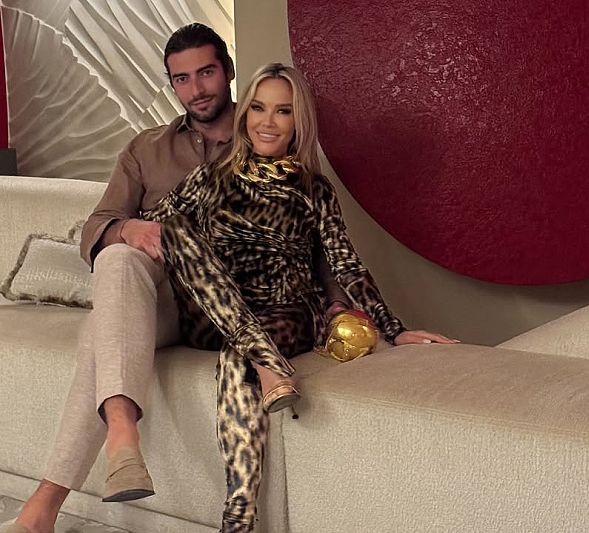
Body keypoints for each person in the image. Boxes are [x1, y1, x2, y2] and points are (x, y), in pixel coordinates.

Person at [4, 24, 353, 533]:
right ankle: (122, 439)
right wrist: (129, 228)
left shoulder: (264, 135)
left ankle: (46, 504)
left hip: (236, 306)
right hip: (165, 302)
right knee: (118, 258)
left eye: (206, 73)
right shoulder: (146, 150)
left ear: (228, 71)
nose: (197, 89)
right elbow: (97, 227)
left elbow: (315, 243)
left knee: (101, 337)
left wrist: (341, 306)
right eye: (182, 79)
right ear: (171, 84)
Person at [142, 62, 455, 532]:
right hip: (214, 314)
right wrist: (103, 242)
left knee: (237, 358)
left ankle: (238, 521)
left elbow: (345, 262)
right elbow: (149, 225)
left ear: (298, 122)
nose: (267, 122)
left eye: (283, 111)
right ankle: (268, 363)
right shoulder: (208, 178)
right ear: (245, 115)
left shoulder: (313, 189)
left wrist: (395, 329)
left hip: (287, 312)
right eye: (258, 108)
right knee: (171, 228)